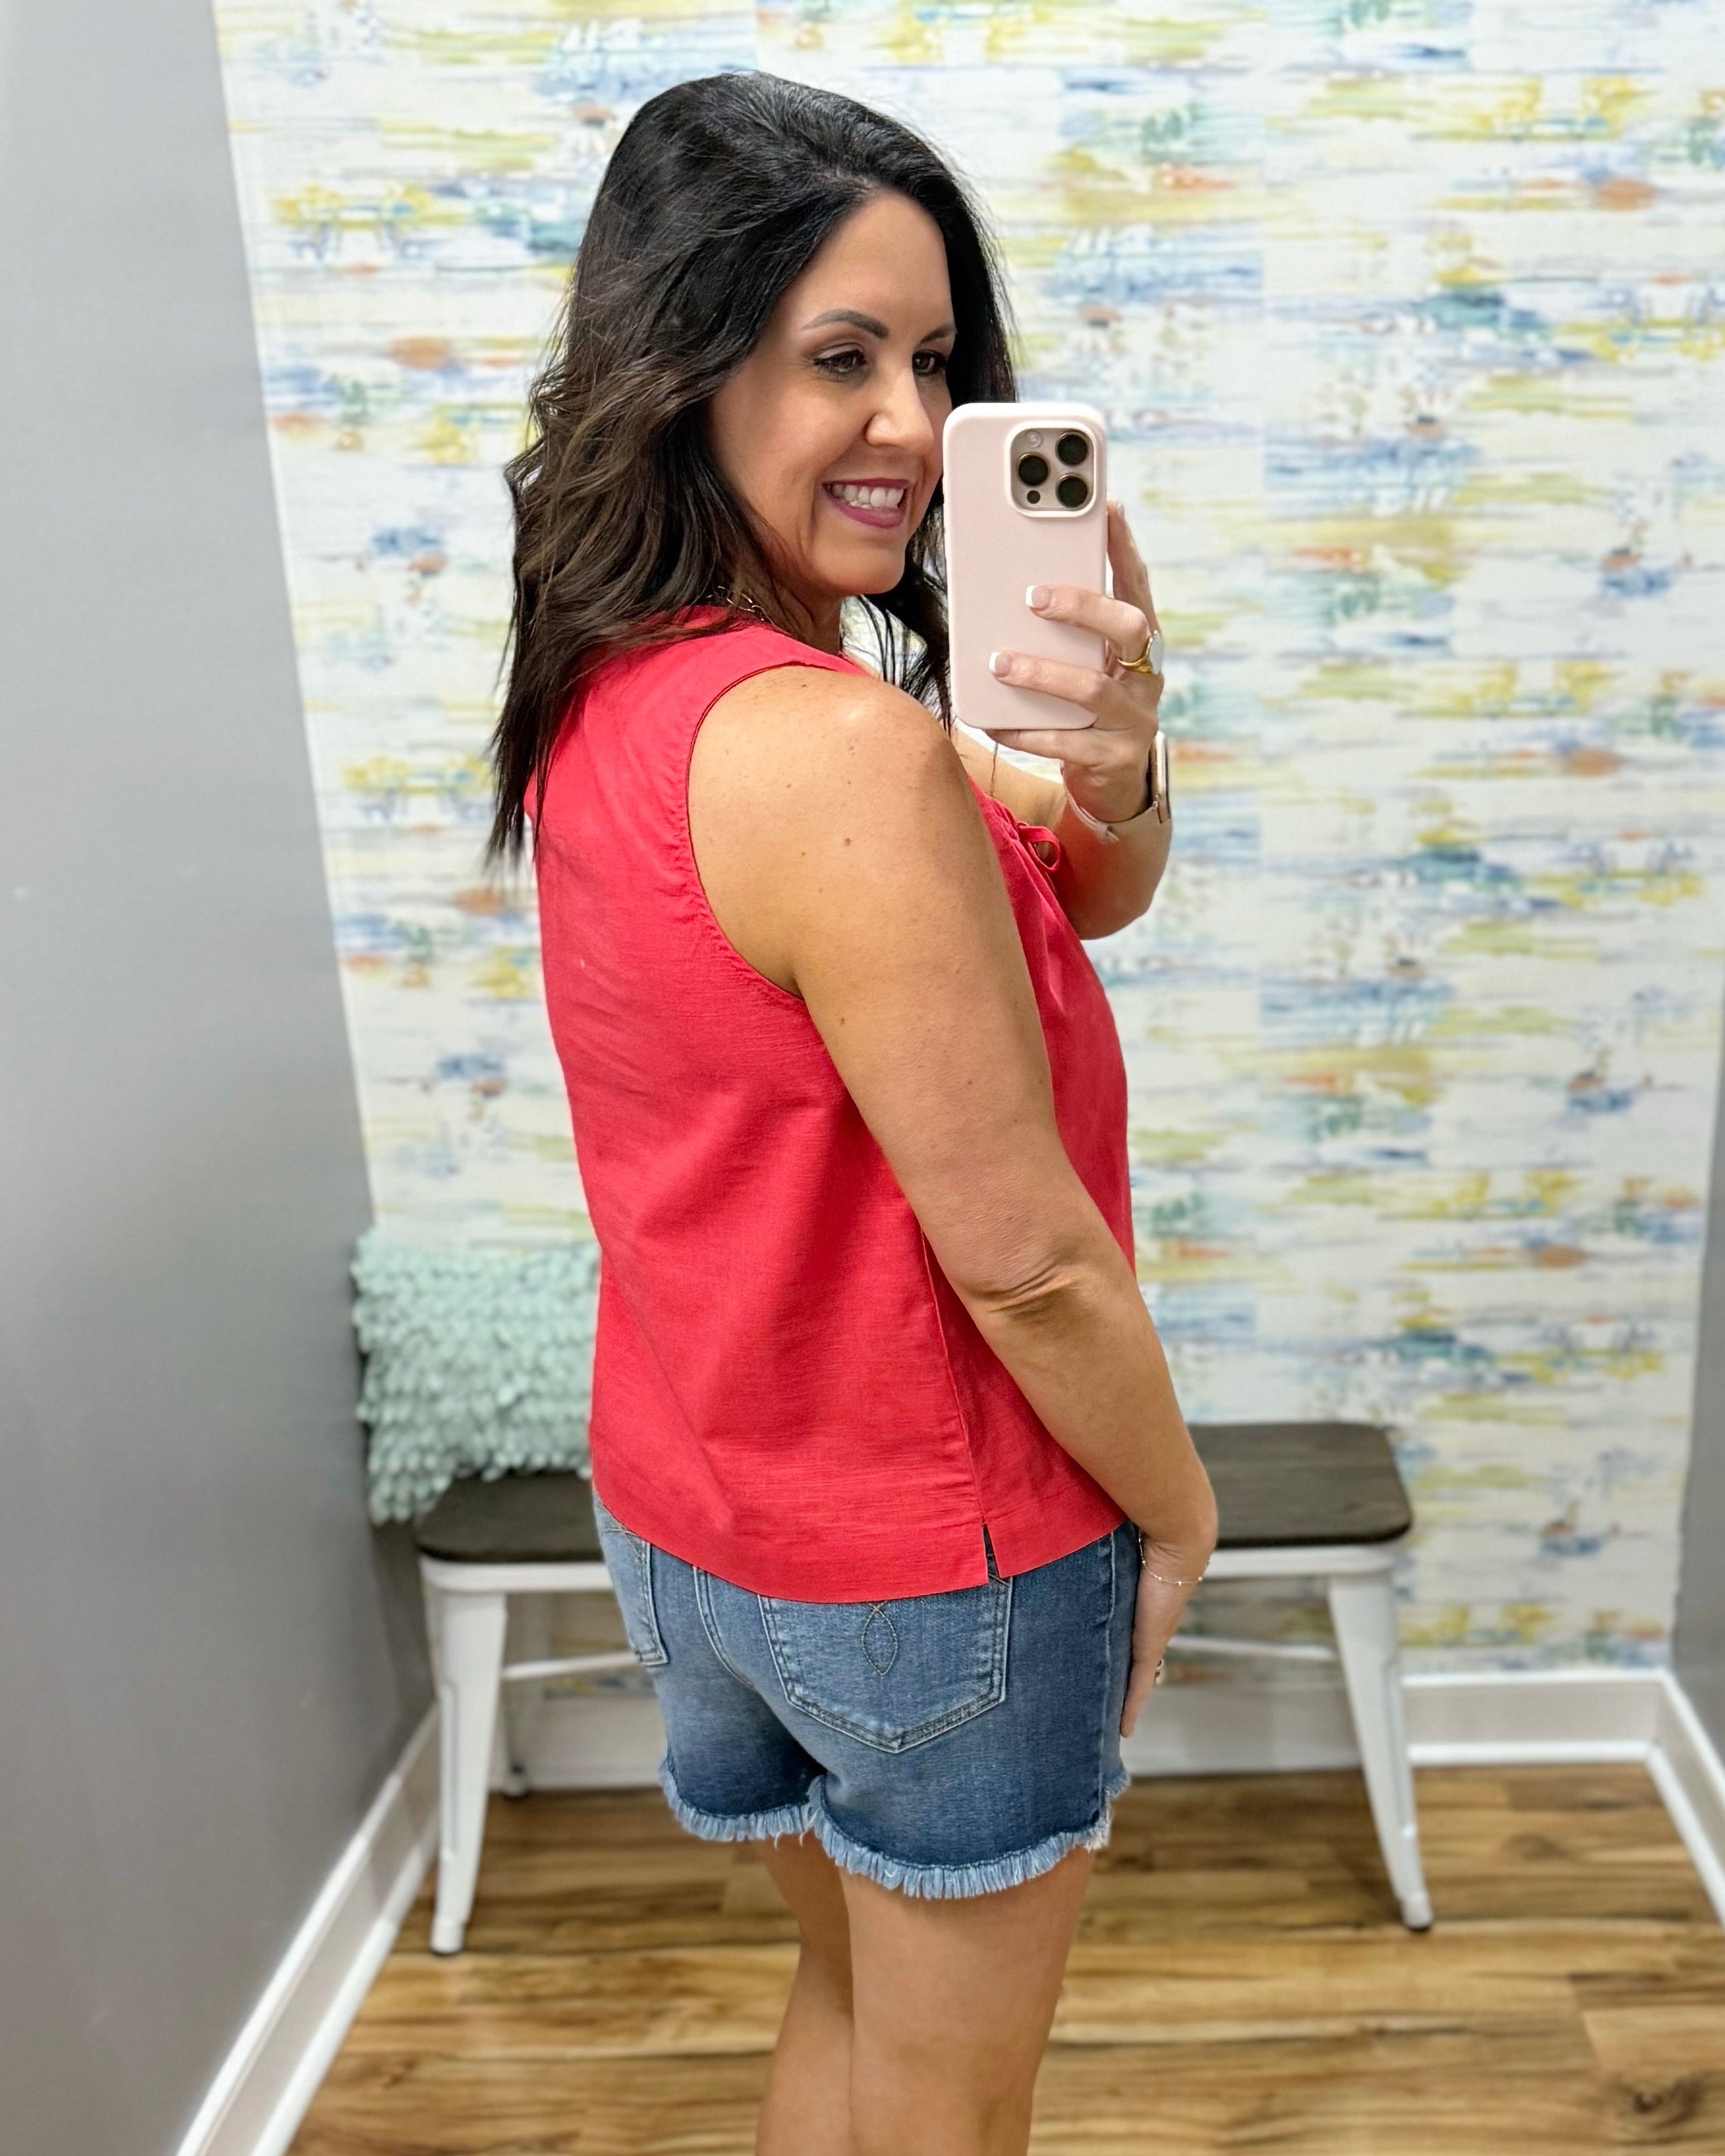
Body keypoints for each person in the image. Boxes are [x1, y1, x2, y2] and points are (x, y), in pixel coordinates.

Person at [488, 70, 1216, 2156]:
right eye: (838, 358)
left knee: (849, 1999)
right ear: (684, 363)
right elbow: (1027, 1255)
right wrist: (1175, 1507)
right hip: (932, 1548)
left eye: (929, 359)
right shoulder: (840, 758)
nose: (908, 419)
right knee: (952, 2107)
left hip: (696, 1521)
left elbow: (1075, 884)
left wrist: (1123, 749)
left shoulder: (610, 694)